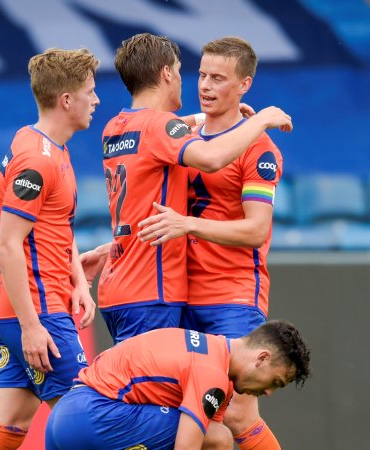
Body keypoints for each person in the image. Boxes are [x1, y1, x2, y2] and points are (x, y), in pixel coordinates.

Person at [95, 33, 293, 344]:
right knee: (176, 390)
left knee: (237, 391)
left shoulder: (258, 149)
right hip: (180, 295)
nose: (204, 85)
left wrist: (187, 225)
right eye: (201, 75)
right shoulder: (181, 139)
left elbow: (257, 231)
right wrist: (258, 118)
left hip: (231, 296)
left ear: (244, 85)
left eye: (217, 78)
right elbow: (200, 152)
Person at [0, 48, 99, 450]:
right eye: (90, 92)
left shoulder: (47, 145)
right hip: (39, 317)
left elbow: (57, 223)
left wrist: (78, 279)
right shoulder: (36, 160)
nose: (96, 100)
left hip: (30, 311)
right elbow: (8, 245)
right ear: (66, 100)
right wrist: (31, 326)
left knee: (5, 428)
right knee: (91, 427)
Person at [45, 320, 311, 450]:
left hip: (64, 416)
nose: (268, 392)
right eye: (275, 382)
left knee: (211, 433)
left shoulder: (211, 352)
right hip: (94, 417)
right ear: (261, 358)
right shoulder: (212, 372)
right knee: (219, 439)